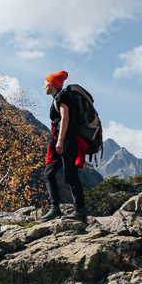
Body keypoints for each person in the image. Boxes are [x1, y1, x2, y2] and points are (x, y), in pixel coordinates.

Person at [41, 71, 87, 221]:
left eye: (45, 83)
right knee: (49, 173)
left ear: (52, 84)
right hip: (58, 140)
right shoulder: (57, 97)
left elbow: (65, 117)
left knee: (71, 175)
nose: (44, 87)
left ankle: (80, 211)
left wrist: (60, 140)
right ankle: (54, 208)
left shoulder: (62, 96)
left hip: (66, 140)